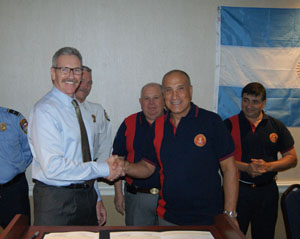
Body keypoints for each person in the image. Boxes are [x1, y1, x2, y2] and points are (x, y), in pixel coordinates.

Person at [119, 70, 239, 226]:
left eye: (180, 89)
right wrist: (125, 166)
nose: (174, 96)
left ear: (190, 90)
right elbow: (147, 167)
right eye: (168, 90)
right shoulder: (158, 126)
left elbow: (230, 168)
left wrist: (230, 213)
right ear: (164, 95)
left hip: (207, 218)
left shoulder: (211, 122)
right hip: (168, 218)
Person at [28, 47, 123, 226]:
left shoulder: (82, 111)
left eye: (77, 70)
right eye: (64, 69)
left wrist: (96, 198)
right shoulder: (45, 110)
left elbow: (84, 159)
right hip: (57, 202)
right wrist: (104, 169)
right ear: (53, 73)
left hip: (85, 196)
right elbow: (53, 167)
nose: (71, 76)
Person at [224, 82, 298, 239]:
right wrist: (246, 167)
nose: (249, 106)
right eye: (245, 100)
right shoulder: (228, 125)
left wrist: (269, 166)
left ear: (264, 103)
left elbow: (292, 158)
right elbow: (218, 159)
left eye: (255, 101)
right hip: (237, 192)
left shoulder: (276, 126)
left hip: (267, 193)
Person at [113, 83, 164, 225]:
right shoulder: (129, 123)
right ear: (140, 102)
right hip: (137, 198)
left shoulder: (174, 123)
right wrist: (118, 193)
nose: (151, 103)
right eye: (147, 99)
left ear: (164, 99)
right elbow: (118, 159)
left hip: (168, 198)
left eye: (156, 98)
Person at [75, 65, 113, 226]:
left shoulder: (97, 111)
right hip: (64, 189)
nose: (85, 86)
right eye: (82, 81)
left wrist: (101, 170)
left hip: (91, 183)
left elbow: (104, 145)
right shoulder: (58, 110)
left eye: (89, 83)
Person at [0, 107, 32, 228]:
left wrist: (14, 169)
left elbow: (29, 148)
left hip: (13, 191)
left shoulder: (13, 118)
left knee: (19, 237)